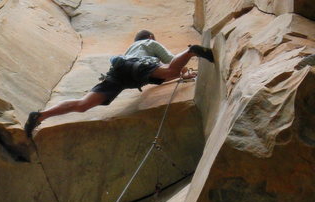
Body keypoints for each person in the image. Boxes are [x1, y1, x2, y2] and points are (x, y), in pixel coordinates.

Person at [24, 30, 214, 137]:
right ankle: (192, 51)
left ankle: (40, 116)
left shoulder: (130, 49)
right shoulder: (149, 44)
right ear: (149, 38)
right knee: (171, 70)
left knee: (83, 105)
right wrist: (186, 71)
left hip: (119, 73)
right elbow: (171, 61)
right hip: (137, 69)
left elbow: (159, 76)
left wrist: (180, 74)